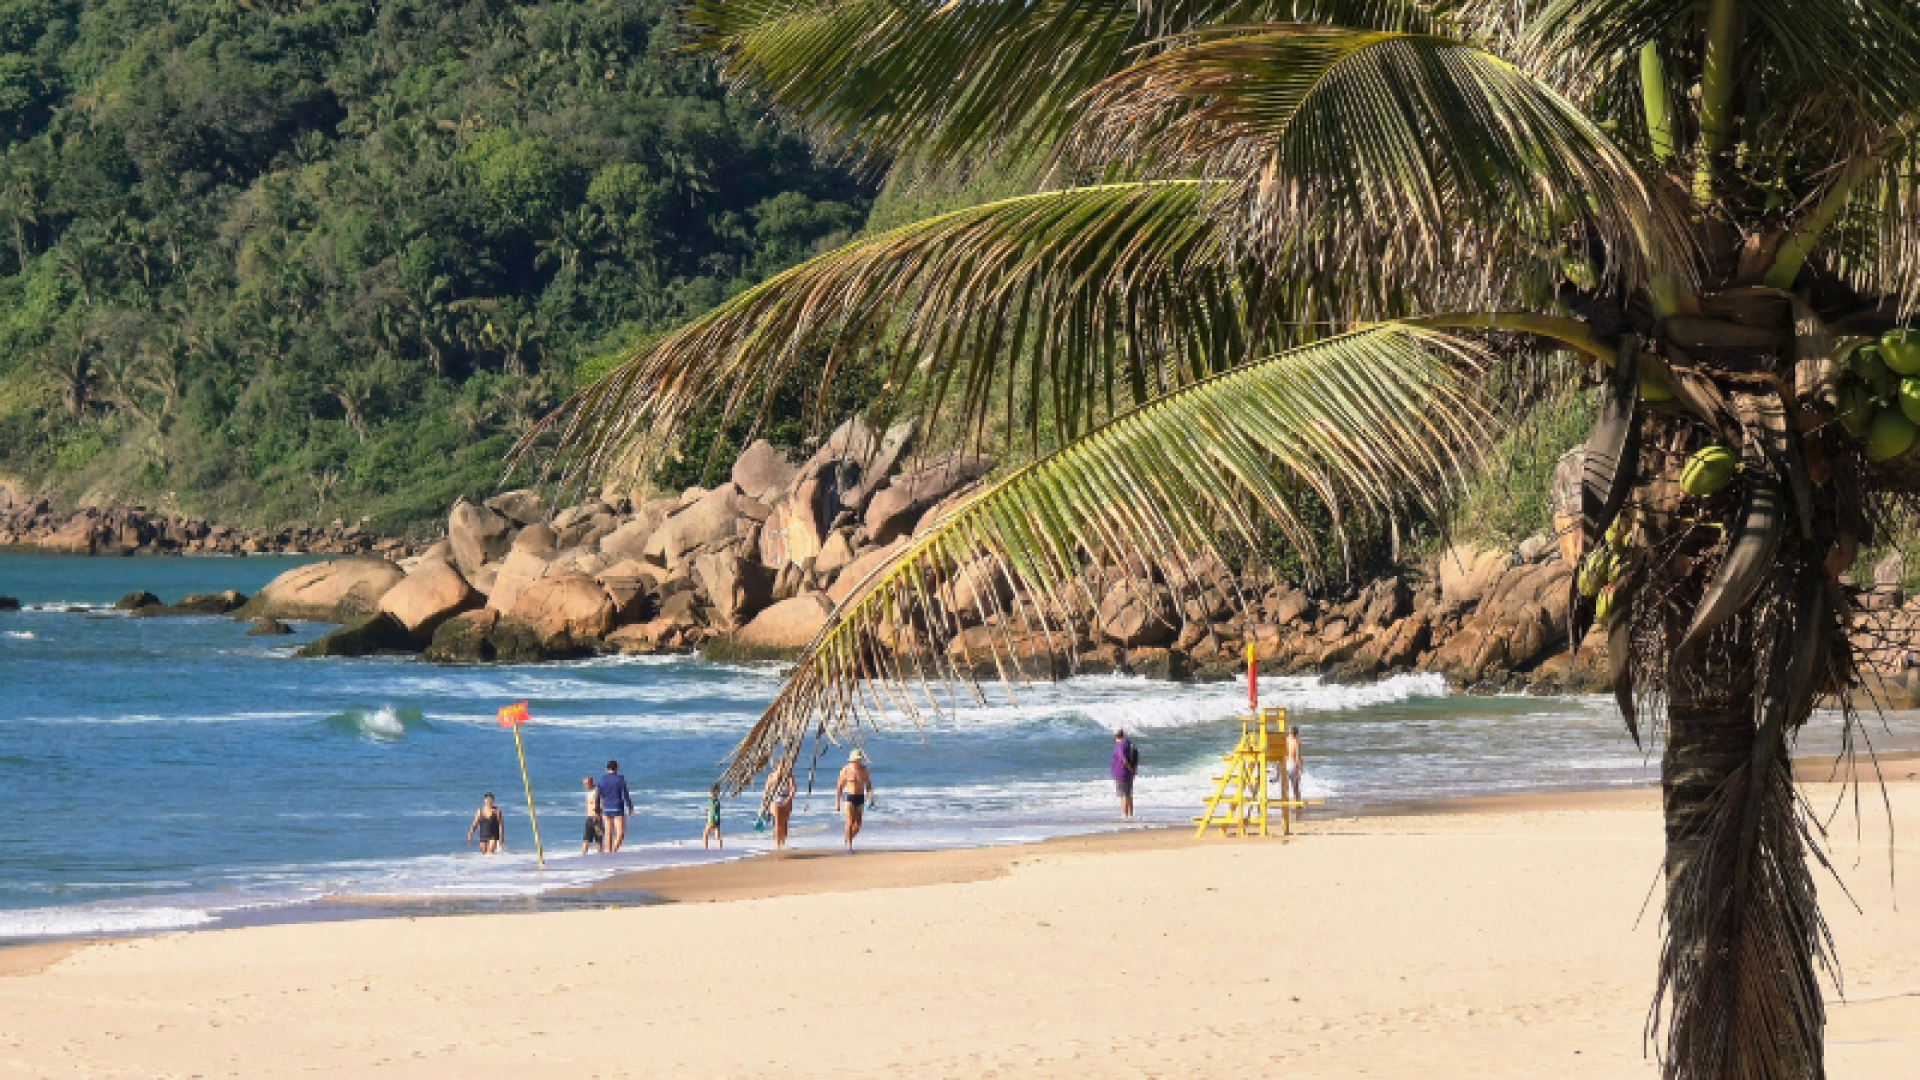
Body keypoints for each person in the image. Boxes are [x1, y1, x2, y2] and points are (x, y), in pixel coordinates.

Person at [834, 749, 875, 852]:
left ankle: (848, 839)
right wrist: (837, 803)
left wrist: (870, 798)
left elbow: (868, 785)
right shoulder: (846, 770)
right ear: (852, 760)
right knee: (849, 821)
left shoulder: (864, 770)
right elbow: (839, 787)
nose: (858, 762)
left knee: (858, 824)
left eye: (859, 760)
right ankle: (849, 846)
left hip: (860, 797)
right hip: (849, 796)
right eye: (856, 760)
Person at [595, 760, 634, 853]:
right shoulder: (620, 779)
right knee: (620, 833)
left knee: (608, 833)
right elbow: (626, 794)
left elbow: (597, 795)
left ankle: (609, 853)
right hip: (617, 808)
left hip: (606, 808)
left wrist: (597, 810)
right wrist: (630, 807)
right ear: (616, 768)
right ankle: (613, 851)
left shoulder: (601, 779)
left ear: (606, 769)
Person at [764, 767, 797, 850]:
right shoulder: (771, 776)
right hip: (774, 800)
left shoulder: (788, 777)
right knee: (777, 822)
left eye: (783, 767)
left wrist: (788, 799)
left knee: (784, 823)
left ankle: (783, 842)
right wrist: (763, 805)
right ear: (776, 767)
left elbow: (793, 789)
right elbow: (766, 791)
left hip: (785, 800)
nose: (781, 770)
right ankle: (777, 844)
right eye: (780, 767)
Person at [1110, 729, 1140, 819]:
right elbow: (1136, 756)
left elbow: (1124, 760)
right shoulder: (1129, 743)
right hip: (1128, 774)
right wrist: (1133, 770)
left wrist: (1131, 769)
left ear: (1115, 736)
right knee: (1128, 794)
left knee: (1124, 795)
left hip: (1122, 773)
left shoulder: (1120, 745)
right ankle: (1130, 815)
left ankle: (1125, 816)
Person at [580, 776, 604, 855]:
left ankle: (601, 858)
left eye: (587, 784)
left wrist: (599, 815)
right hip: (589, 820)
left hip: (597, 820)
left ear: (591, 783)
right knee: (586, 840)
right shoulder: (588, 792)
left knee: (599, 841)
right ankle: (582, 857)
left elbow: (601, 804)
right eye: (584, 784)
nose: (585, 786)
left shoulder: (597, 791)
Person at [1285, 725, 1304, 809]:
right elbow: (1298, 757)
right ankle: (1297, 804)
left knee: (1286, 785)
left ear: (1291, 733)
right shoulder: (1297, 742)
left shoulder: (1286, 740)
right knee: (1295, 786)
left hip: (1286, 763)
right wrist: (1300, 769)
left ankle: (1287, 802)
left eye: (1289, 731)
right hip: (1292, 764)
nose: (1288, 732)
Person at [702, 785, 724, 850]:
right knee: (717, 836)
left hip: (711, 819)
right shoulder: (717, 801)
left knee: (705, 834)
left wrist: (709, 811)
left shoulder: (711, 800)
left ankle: (705, 848)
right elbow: (714, 809)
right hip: (717, 819)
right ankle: (720, 849)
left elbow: (712, 809)